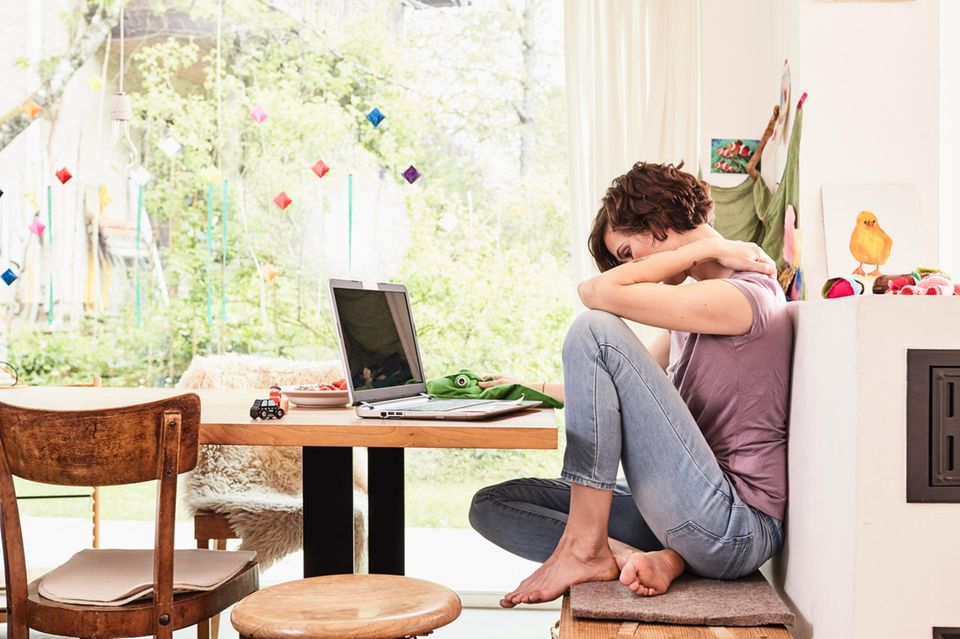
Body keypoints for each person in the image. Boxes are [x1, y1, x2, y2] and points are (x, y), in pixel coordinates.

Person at [469, 161, 792, 608]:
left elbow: (595, 297)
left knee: (592, 329)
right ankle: (635, 557)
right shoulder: (693, 312)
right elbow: (617, 387)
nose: (636, 268)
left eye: (626, 253)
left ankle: (585, 548)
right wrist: (526, 387)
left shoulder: (742, 297)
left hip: (734, 527)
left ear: (657, 222)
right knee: (495, 504)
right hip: (692, 509)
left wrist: (691, 254)